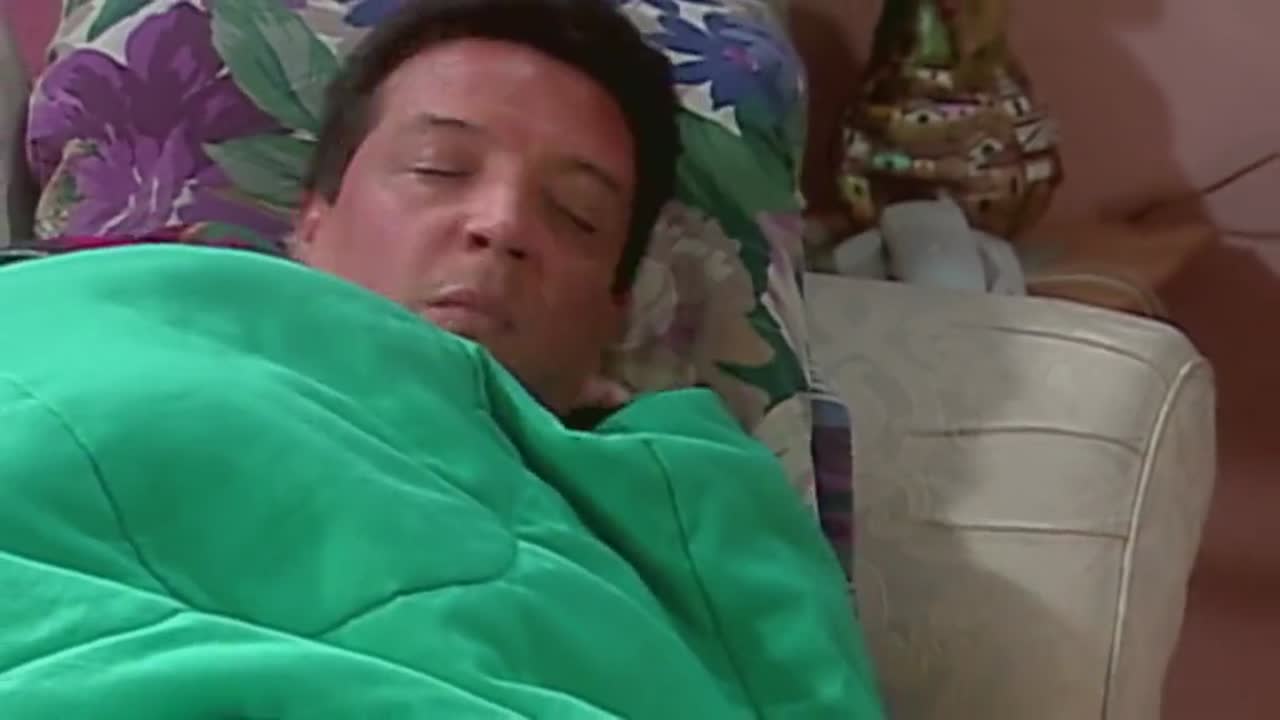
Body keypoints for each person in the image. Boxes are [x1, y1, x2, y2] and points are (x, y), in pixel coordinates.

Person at [0, 0, 885, 716]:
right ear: (311, 220)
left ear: (612, 315)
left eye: (576, 215)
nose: (501, 225)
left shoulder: (690, 505)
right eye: (437, 167)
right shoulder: (101, 307)